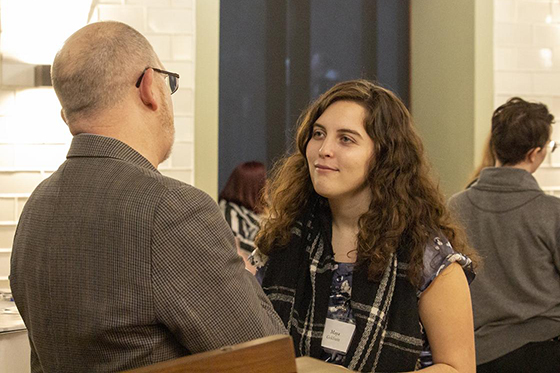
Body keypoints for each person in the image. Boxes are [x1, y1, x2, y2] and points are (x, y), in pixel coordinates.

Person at [9, 21, 285, 373]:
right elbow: (266, 359)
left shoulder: (37, 206)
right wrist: (241, 271)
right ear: (150, 86)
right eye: (170, 82)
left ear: (67, 115)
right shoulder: (171, 209)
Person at [251, 79, 477, 372]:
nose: (324, 149)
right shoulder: (285, 238)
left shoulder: (427, 256)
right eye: (318, 134)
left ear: (384, 156)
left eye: (346, 139)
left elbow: (458, 368)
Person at [449, 97, 560, 373]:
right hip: (547, 350)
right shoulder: (552, 212)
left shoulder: (454, 206)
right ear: (535, 153)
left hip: (477, 355)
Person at [219, 161, 267, 255]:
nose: (268, 185)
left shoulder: (259, 207)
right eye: (264, 182)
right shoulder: (230, 212)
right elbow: (235, 244)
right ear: (252, 187)